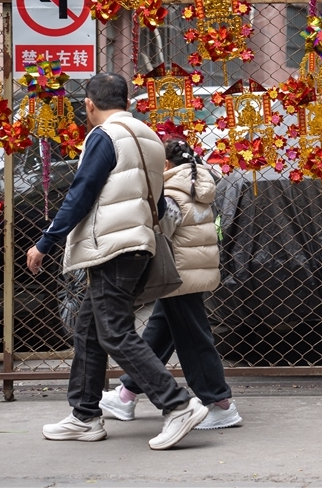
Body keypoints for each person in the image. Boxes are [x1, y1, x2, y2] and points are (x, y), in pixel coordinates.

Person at [26, 73, 208, 450]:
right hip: (138, 242)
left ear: (90, 104)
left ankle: (177, 405)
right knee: (90, 332)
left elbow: (82, 192)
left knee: (113, 331)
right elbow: (156, 200)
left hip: (112, 245)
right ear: (126, 99)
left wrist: (46, 241)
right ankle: (84, 416)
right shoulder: (149, 137)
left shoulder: (104, 136)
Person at [98, 138, 242, 430]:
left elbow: (161, 230)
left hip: (177, 274)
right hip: (192, 273)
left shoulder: (173, 193)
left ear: (164, 165)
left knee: (193, 338)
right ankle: (126, 395)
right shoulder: (197, 185)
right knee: (161, 331)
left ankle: (220, 403)